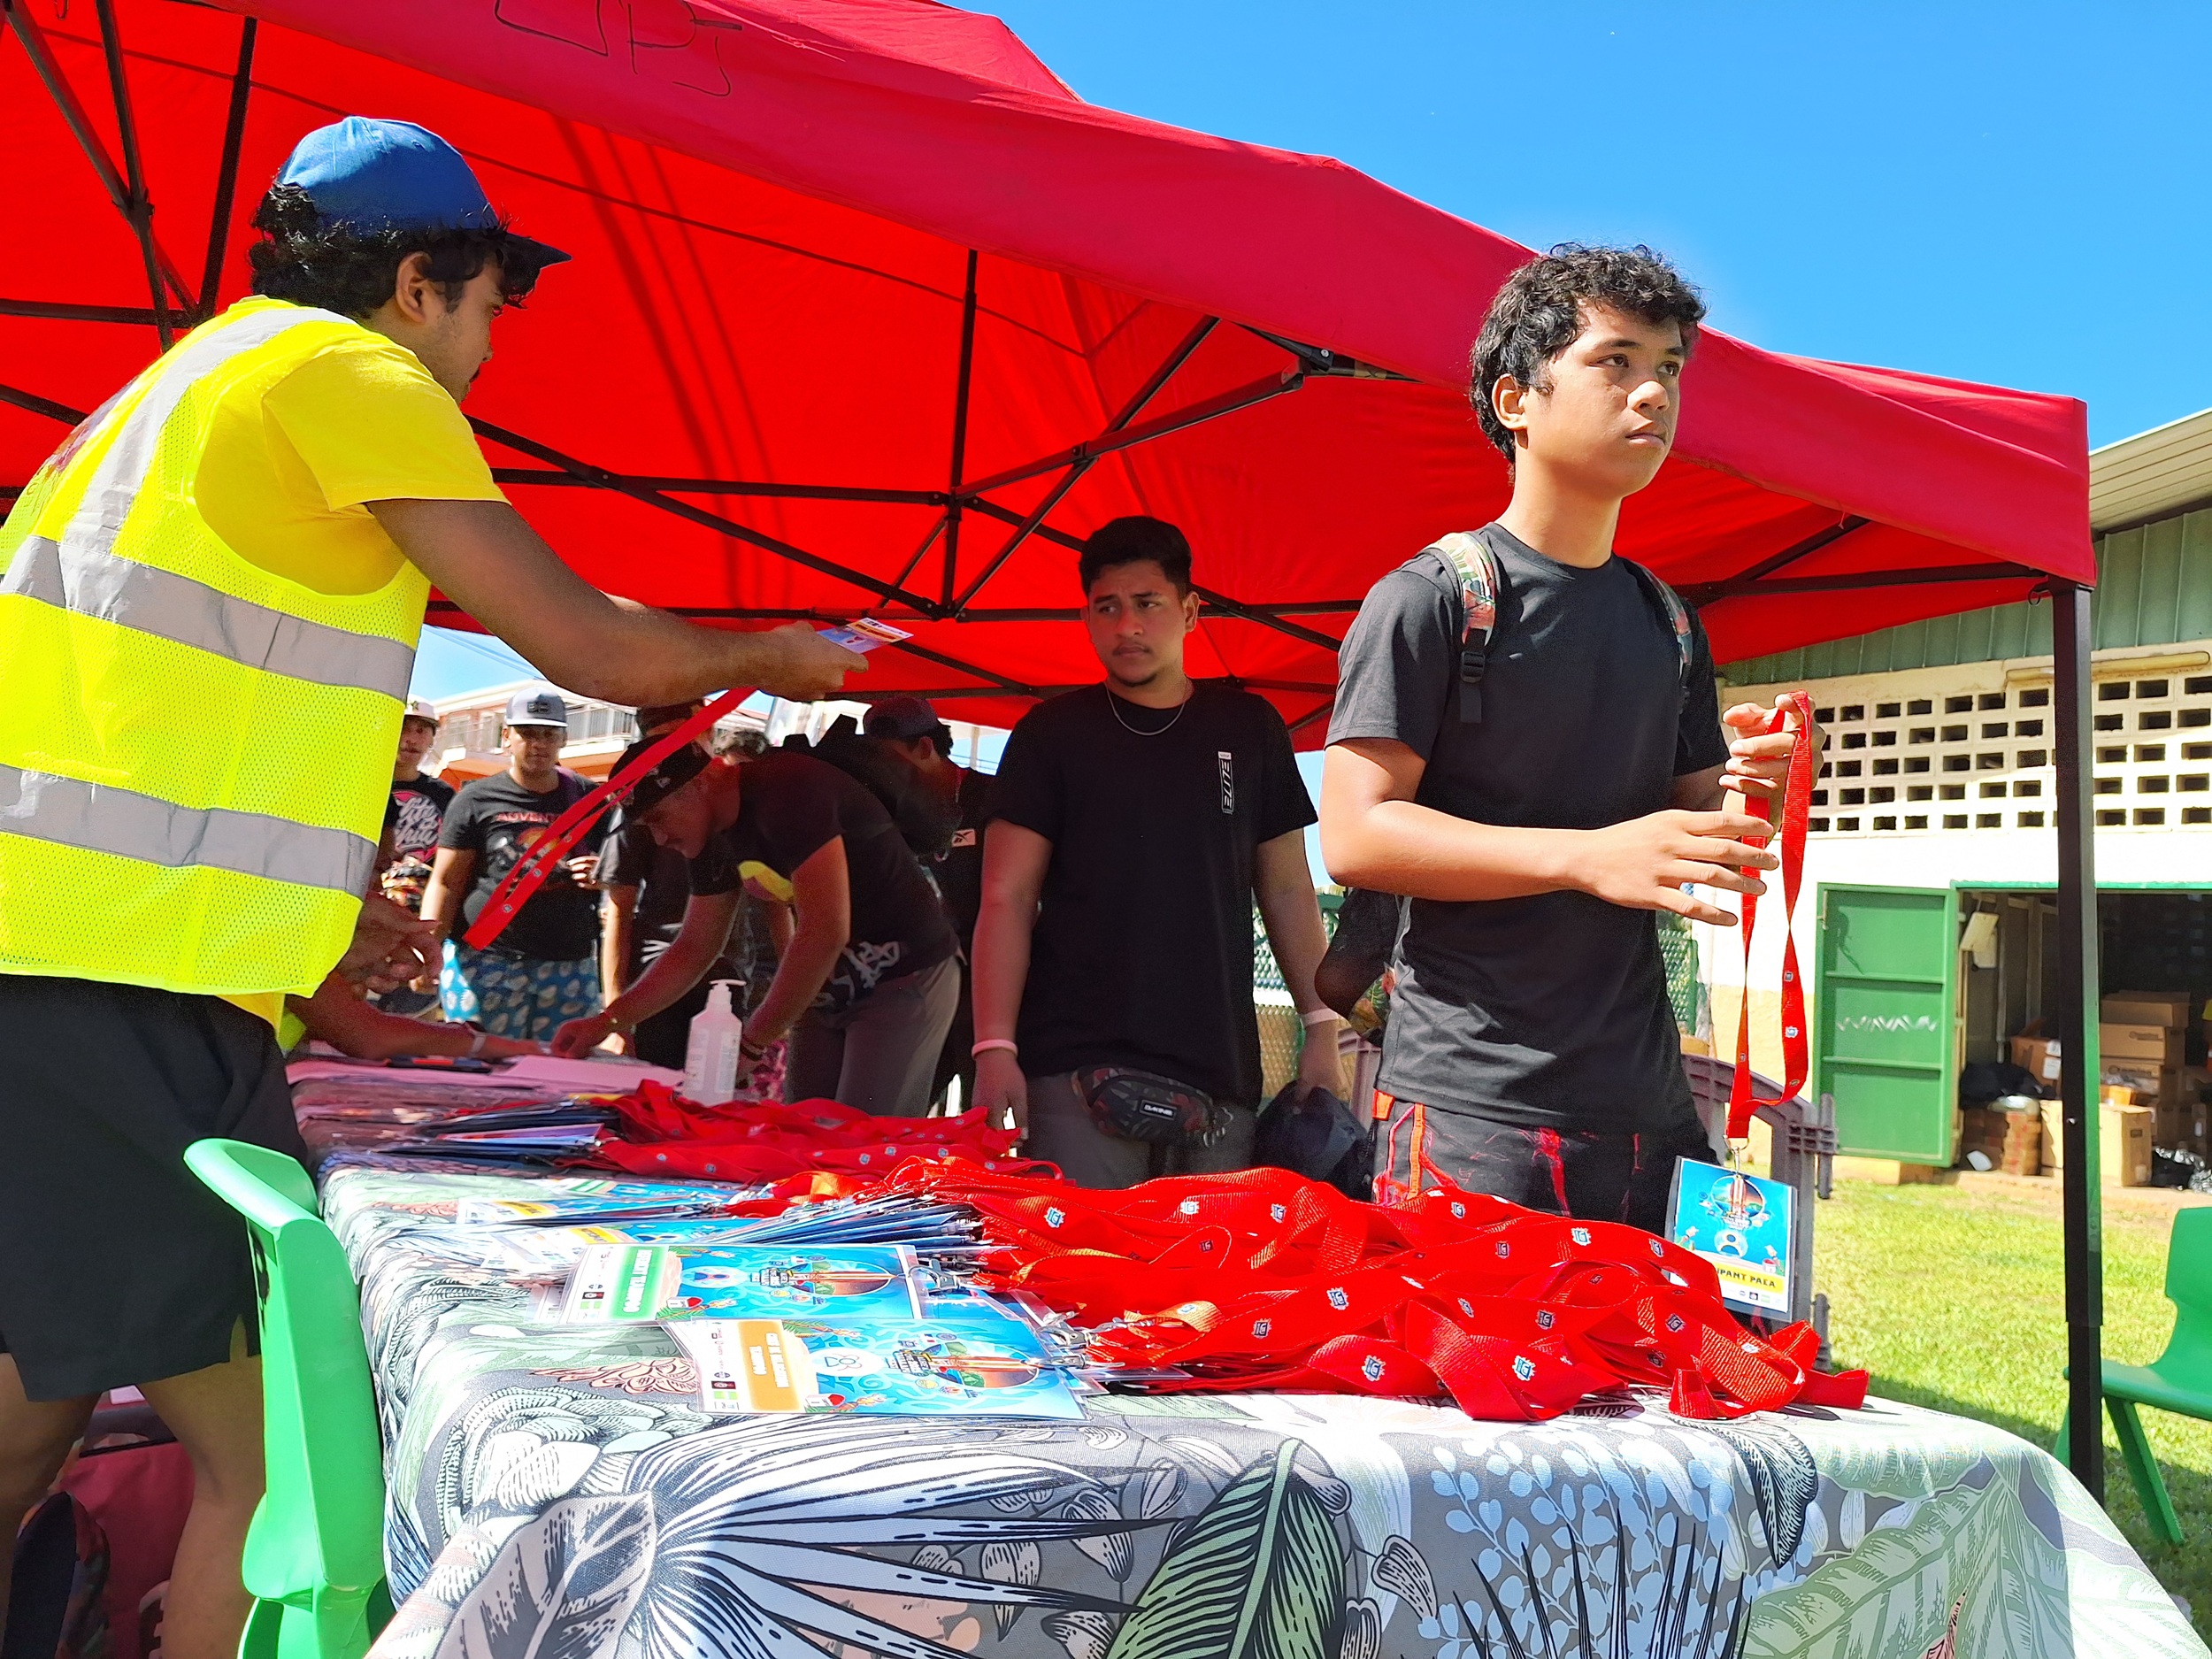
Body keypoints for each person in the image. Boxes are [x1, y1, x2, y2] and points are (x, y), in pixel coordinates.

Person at [0, 115, 861, 1655]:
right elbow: (587, 643)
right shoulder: (350, 374)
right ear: (416, 284)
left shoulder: (179, 387)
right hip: (121, 991)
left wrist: (327, 974)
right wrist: (779, 654)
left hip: (62, 969)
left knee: (27, 1410)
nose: (492, 339)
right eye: (493, 299)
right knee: (278, 1468)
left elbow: (137, 733)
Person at [1319, 244, 1810, 1229]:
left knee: (1678, 1337)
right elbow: (1356, 836)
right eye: (1614, 362)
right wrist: (1587, 857)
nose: (1653, 393)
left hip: (1648, 1105)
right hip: (1472, 1105)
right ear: (1515, 400)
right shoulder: (1432, 598)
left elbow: (1705, 840)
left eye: (1668, 367)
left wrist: (1763, 784)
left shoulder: (1669, 622)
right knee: (1466, 1343)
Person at [970, 516, 1343, 1189]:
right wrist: (993, 1047)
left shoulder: (1249, 728)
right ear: (1086, 617)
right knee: (1079, 1255)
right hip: (1075, 1063)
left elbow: (1288, 888)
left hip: (1219, 1070)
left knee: (1205, 1262)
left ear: (1190, 611)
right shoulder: (1050, 735)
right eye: (1106, 607)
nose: (1127, 626)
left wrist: (1320, 1026)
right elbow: (1006, 897)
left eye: (1147, 604)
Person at [550, 740, 958, 1116]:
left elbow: (824, 931)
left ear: (697, 785)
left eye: (658, 818)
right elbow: (695, 946)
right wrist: (606, 1022)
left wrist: (750, 1043)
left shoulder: (787, 788)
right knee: (802, 1136)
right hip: (828, 987)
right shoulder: (712, 831)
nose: (659, 839)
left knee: (862, 1142)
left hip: (906, 976)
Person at [419, 689, 602, 1041]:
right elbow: (446, 882)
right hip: (487, 961)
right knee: (481, 1065)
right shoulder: (475, 799)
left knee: (559, 1069)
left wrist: (602, 875)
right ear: (507, 736)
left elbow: (620, 872)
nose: (539, 744)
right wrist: (428, 950)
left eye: (549, 734)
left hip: (568, 965)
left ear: (563, 739)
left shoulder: (589, 799)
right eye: (528, 733)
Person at [865, 695, 993, 1107]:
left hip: (986, 986)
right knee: (894, 1112)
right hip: (918, 985)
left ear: (925, 747)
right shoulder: (884, 809)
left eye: (892, 760)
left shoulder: (993, 799)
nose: (884, 772)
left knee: (981, 1116)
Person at [598, 701, 719, 1068]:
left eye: (681, 741)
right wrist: (615, 1018)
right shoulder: (641, 799)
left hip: (733, 977)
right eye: (658, 746)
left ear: (709, 730)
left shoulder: (738, 801)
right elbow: (618, 911)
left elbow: (778, 907)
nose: (670, 756)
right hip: (658, 973)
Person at [379, 698, 454, 1012]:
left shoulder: (445, 795)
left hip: (421, 914)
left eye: (421, 731)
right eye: (403, 728)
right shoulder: (366, 785)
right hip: (370, 911)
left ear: (432, 738)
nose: (411, 739)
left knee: (418, 1010)